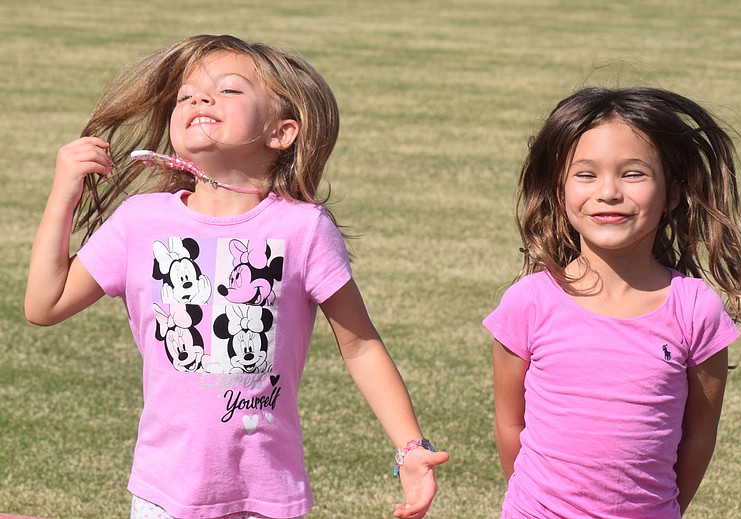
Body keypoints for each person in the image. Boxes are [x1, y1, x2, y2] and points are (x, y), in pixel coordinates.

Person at [25, 34, 448, 519]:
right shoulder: (139, 221)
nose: (199, 99)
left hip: (266, 494)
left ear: (282, 132)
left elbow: (360, 345)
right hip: (164, 492)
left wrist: (409, 446)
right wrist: (62, 196)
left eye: (227, 90)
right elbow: (44, 305)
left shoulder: (303, 228)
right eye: (186, 95)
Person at [483, 86, 741, 518]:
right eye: (586, 174)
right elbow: (509, 424)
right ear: (559, 189)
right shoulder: (529, 302)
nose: (608, 192)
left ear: (671, 194)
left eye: (633, 174)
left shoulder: (695, 310)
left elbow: (698, 437)